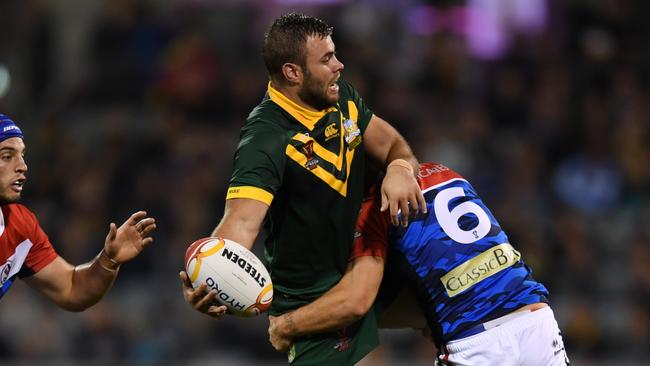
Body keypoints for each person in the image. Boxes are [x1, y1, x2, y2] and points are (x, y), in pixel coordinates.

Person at [179, 13, 425, 365]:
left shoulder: (339, 98)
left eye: (335, 54)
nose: (339, 65)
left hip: (371, 264)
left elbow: (393, 147)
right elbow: (242, 223)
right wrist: (210, 276)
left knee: (463, 308)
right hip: (316, 305)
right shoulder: (264, 140)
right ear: (292, 72)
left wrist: (400, 169)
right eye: (326, 59)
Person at [268, 162, 570, 366]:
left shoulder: (374, 209)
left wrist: (289, 325)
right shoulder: (446, 174)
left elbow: (356, 302)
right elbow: (436, 291)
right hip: (536, 320)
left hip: (476, 343)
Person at [0, 113, 156, 310]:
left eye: (22, 155)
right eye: (7, 156)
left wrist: (108, 260)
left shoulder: (20, 226)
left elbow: (71, 289)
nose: (22, 166)